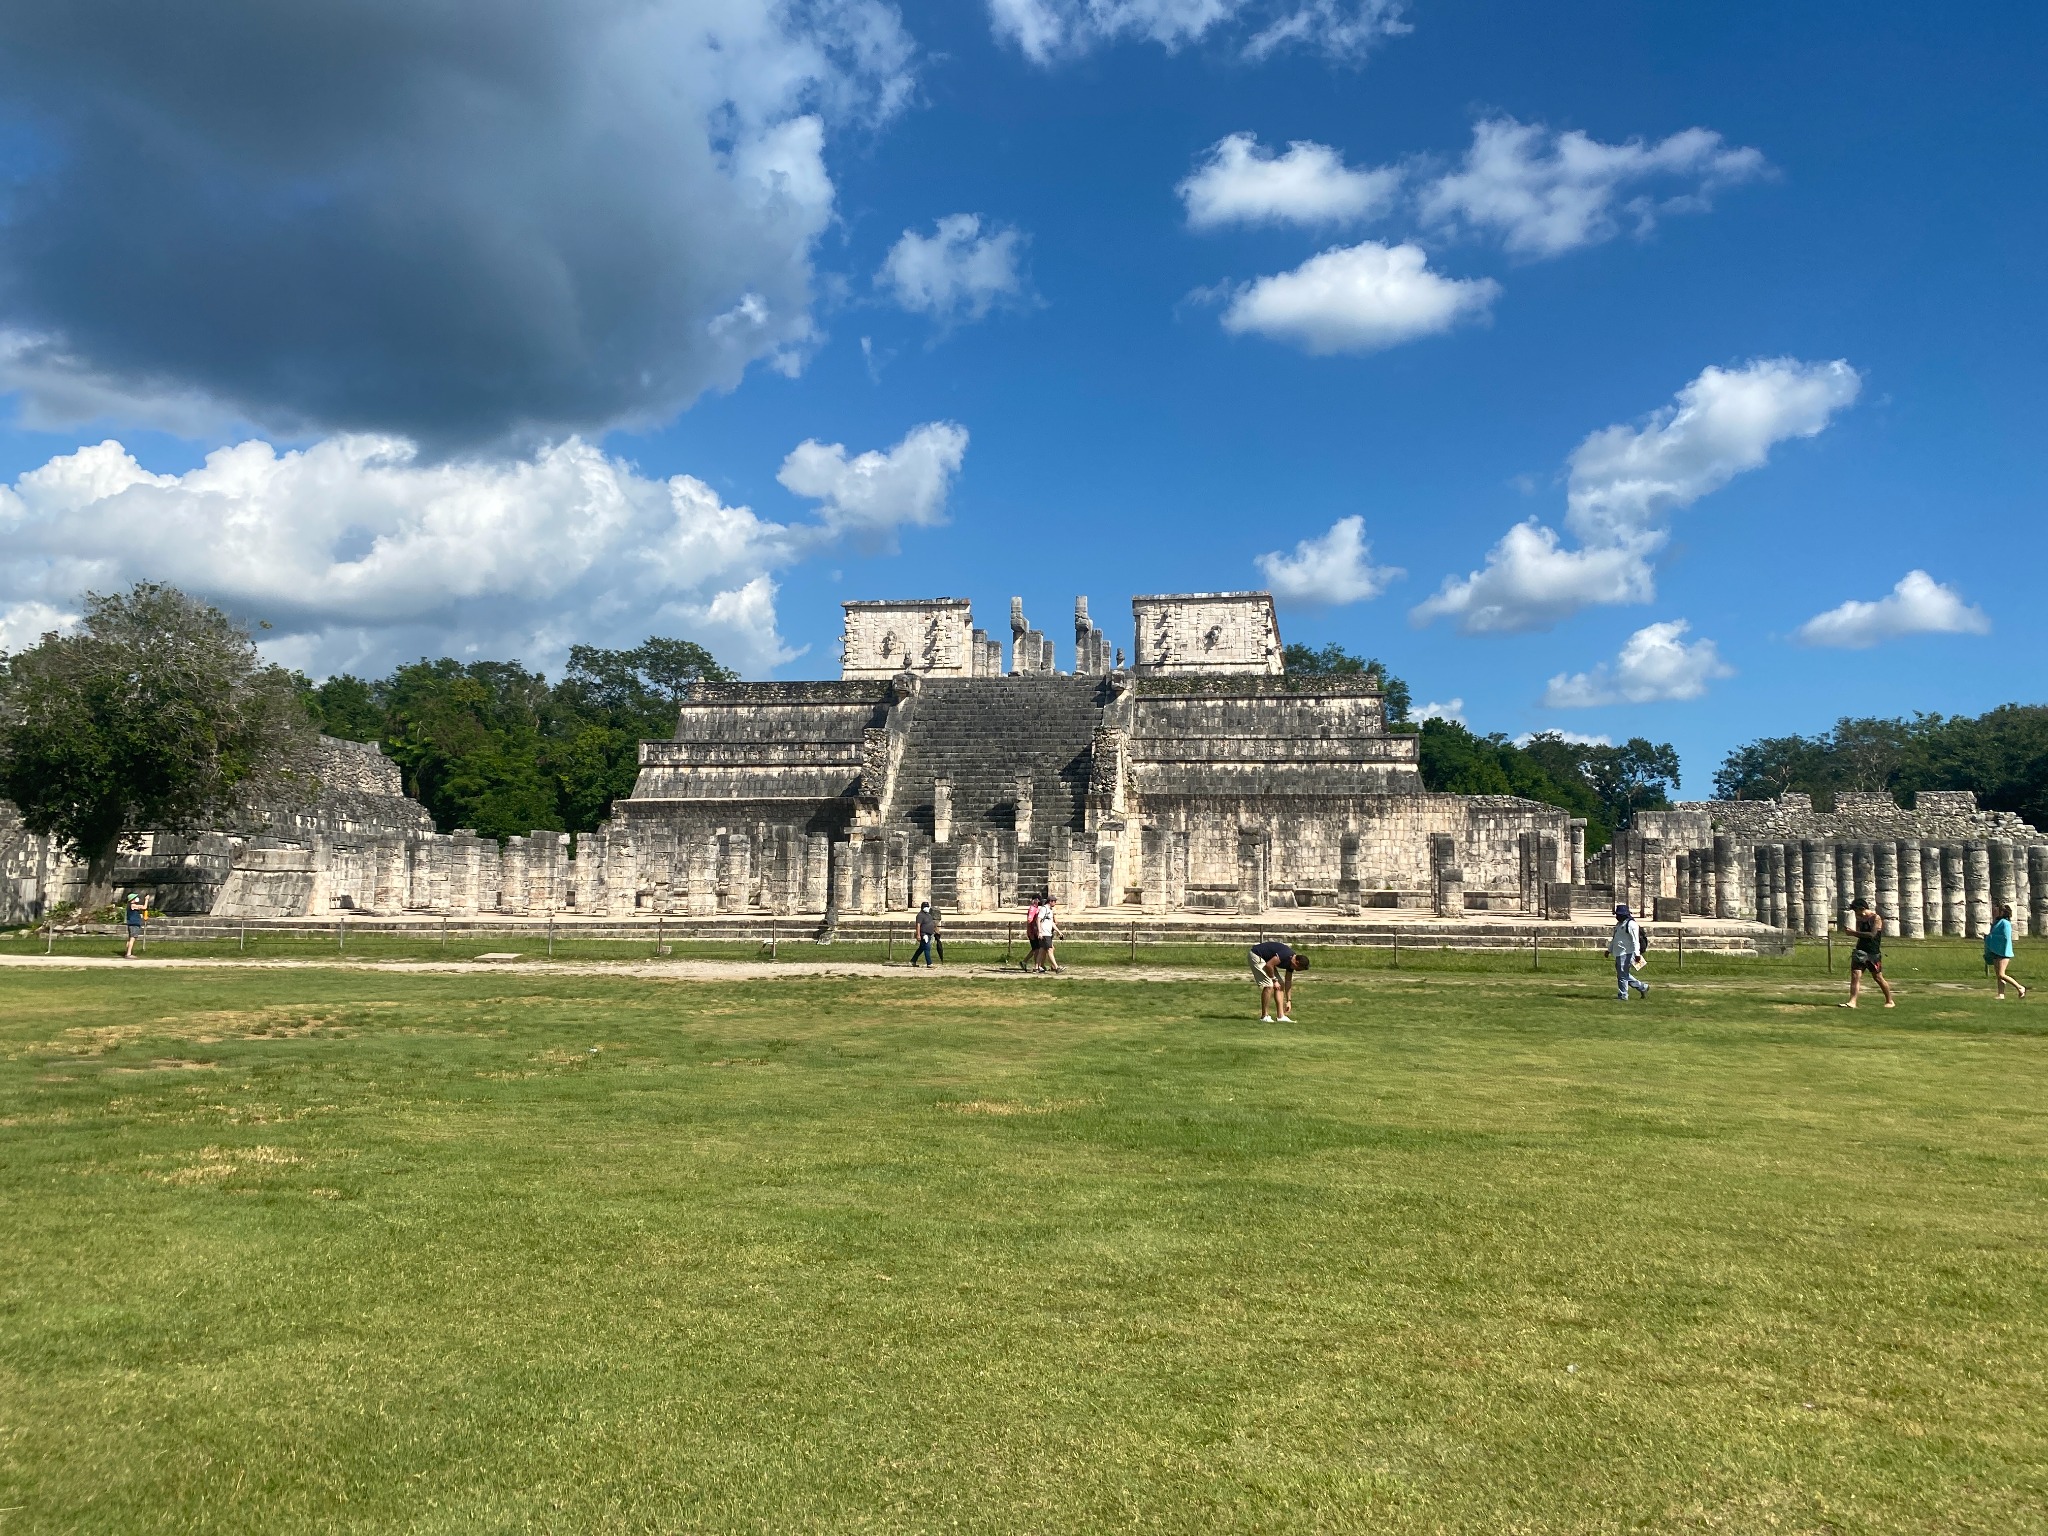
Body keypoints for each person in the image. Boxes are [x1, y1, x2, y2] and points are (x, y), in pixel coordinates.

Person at [1841, 897, 1896, 1009]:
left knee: (1878, 977)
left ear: (1862, 908)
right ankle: (1852, 1002)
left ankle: (1890, 1001)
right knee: (1855, 975)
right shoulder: (1861, 919)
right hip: (1860, 950)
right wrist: (1854, 932)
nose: (1856, 914)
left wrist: (1853, 933)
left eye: (1856, 911)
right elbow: (1860, 933)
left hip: (1873, 953)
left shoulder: (1876, 918)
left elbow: (1872, 935)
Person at [1248, 940, 1308, 1022]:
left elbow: (1288, 981)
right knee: (1269, 985)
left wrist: (1289, 1001)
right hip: (1256, 955)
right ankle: (1264, 1016)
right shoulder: (1286, 955)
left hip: (1267, 960)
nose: (1299, 970)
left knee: (1281, 984)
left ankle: (1281, 1016)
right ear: (1297, 963)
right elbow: (1269, 965)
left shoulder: (1291, 964)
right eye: (1300, 968)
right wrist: (1274, 980)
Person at [1608, 903, 1649, 1001]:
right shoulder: (1619, 925)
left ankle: (1623, 996)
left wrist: (1637, 954)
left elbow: (1635, 941)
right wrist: (1609, 950)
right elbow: (1615, 939)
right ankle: (1642, 987)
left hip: (1627, 953)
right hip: (1619, 952)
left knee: (1622, 975)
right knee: (1622, 974)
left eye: (1618, 914)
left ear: (1624, 915)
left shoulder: (1631, 925)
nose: (1617, 917)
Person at [1986, 902, 2026, 999]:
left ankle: (2020, 987)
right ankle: (2001, 994)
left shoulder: (2005, 923)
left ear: (2002, 912)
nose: (1994, 912)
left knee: (2001, 974)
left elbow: (2005, 937)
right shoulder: (1996, 923)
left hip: (2003, 952)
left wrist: (1991, 937)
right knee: (1998, 975)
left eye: (1997, 910)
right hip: (1996, 950)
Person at [911, 901, 941, 967]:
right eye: (925, 907)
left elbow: (931, 924)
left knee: (921, 948)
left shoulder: (929, 915)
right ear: (922, 907)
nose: (926, 908)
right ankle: (929, 963)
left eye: (927, 907)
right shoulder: (920, 915)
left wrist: (935, 931)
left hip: (929, 934)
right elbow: (918, 925)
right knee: (927, 948)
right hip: (924, 934)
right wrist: (918, 934)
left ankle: (913, 961)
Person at [1036, 898, 1061, 973]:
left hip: (1048, 932)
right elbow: (1038, 919)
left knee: (1042, 950)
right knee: (1050, 949)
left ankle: (1036, 967)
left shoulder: (1050, 910)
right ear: (1050, 901)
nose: (1055, 903)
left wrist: (1059, 931)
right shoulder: (1044, 909)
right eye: (1054, 902)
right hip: (1044, 933)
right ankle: (1056, 967)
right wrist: (1040, 932)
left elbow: (1051, 923)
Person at [122, 891, 147, 959]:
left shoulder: (130, 906)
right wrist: (146, 900)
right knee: (132, 938)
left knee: (130, 938)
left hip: (131, 923)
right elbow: (144, 907)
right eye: (136, 897)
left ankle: (127, 952)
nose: (137, 898)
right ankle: (129, 954)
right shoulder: (132, 905)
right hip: (134, 923)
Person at [1021, 896, 1042, 971]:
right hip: (1032, 932)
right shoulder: (1032, 909)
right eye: (1037, 900)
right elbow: (1029, 921)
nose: (1038, 901)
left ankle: (1026, 962)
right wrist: (1030, 932)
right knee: (1036, 949)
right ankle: (1037, 966)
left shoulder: (1036, 908)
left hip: (1034, 931)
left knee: (1036, 949)